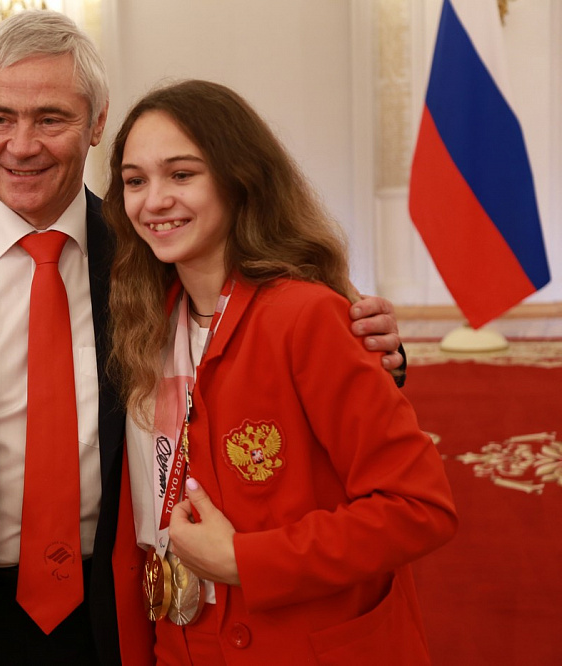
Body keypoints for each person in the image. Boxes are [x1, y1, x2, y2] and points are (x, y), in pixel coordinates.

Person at [0, 11, 404, 665]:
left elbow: (261, 327)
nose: (21, 145)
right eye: (0, 118)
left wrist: (379, 348)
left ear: (96, 124)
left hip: (111, 614)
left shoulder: (151, 250)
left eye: (50, 119)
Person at [104, 79, 458, 664]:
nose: (154, 200)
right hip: (182, 640)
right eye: (135, 181)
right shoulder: (141, 320)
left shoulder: (306, 315)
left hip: (302, 643)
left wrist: (245, 560)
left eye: (182, 174)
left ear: (240, 179)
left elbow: (420, 507)